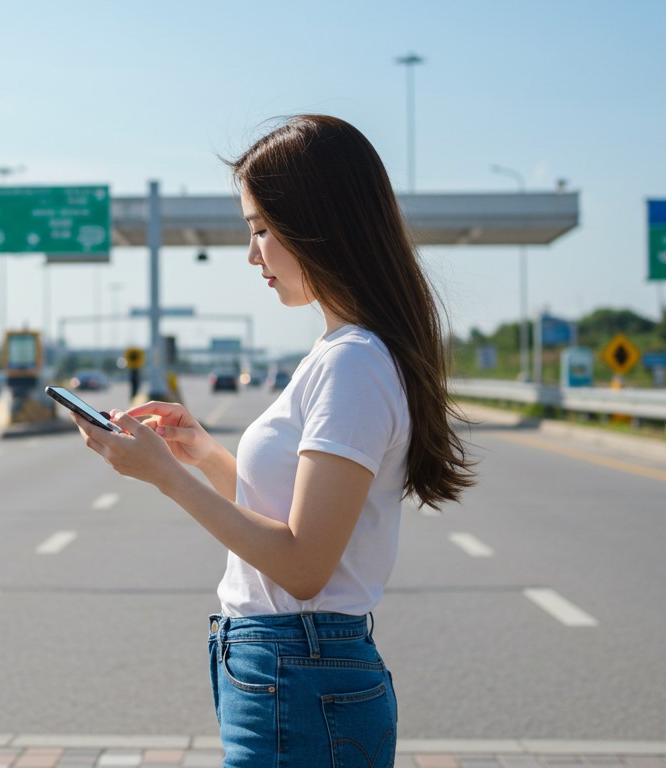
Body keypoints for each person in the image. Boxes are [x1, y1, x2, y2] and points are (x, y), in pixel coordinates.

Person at [66, 114, 476, 767]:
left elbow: (303, 567)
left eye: (260, 229)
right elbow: (292, 520)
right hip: (290, 667)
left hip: (298, 669)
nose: (251, 253)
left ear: (318, 226)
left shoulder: (353, 363)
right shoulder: (342, 353)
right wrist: (200, 453)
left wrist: (165, 479)